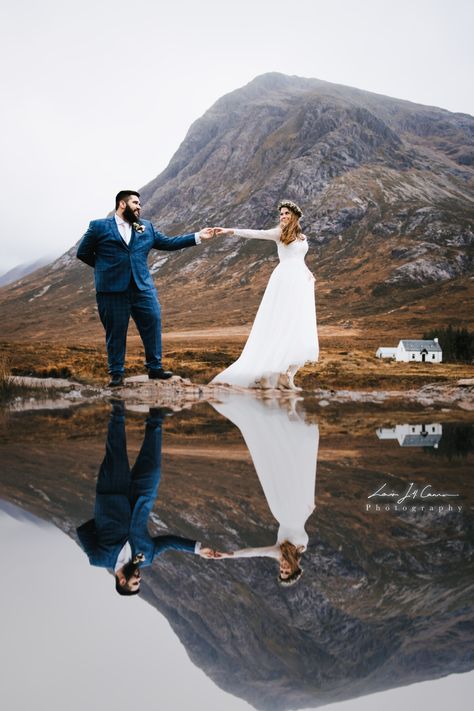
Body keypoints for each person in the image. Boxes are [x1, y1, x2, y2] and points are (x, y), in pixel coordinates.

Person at [76, 401, 221, 596]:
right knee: (152, 460)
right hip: (143, 497)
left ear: (121, 580)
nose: (139, 579)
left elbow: (84, 531)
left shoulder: (98, 558)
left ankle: (118, 404)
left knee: (116, 448)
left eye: (134, 582)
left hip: (111, 493)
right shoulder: (148, 557)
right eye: (139, 582)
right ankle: (156, 412)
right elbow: (168, 542)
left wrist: (105, 518)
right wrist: (197, 549)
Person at [77, 190, 214, 387]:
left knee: (153, 322)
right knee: (115, 332)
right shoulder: (98, 226)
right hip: (112, 291)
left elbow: (168, 243)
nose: (139, 207)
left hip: (142, 288)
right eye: (135, 203)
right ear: (122, 204)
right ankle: (116, 373)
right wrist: (106, 270)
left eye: (140, 203)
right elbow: (83, 252)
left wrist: (198, 236)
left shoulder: (145, 227)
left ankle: (155, 369)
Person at [210, 393, 319, 586]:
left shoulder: (278, 552)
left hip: (282, 507)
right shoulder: (302, 547)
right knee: (293, 466)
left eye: (281, 570)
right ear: (294, 568)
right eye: (287, 570)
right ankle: (287, 416)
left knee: (277, 466)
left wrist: (229, 555)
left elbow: (254, 552)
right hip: (298, 506)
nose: (283, 567)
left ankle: (274, 417)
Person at [210, 200, 318, 390]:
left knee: (298, 325)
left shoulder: (302, 237)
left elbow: (299, 259)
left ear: (295, 216)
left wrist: (308, 272)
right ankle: (273, 372)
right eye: (281, 214)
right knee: (283, 322)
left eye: (286, 213)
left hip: (301, 282)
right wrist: (229, 230)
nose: (283, 217)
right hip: (284, 280)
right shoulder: (279, 234)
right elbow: (255, 233)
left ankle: (289, 376)